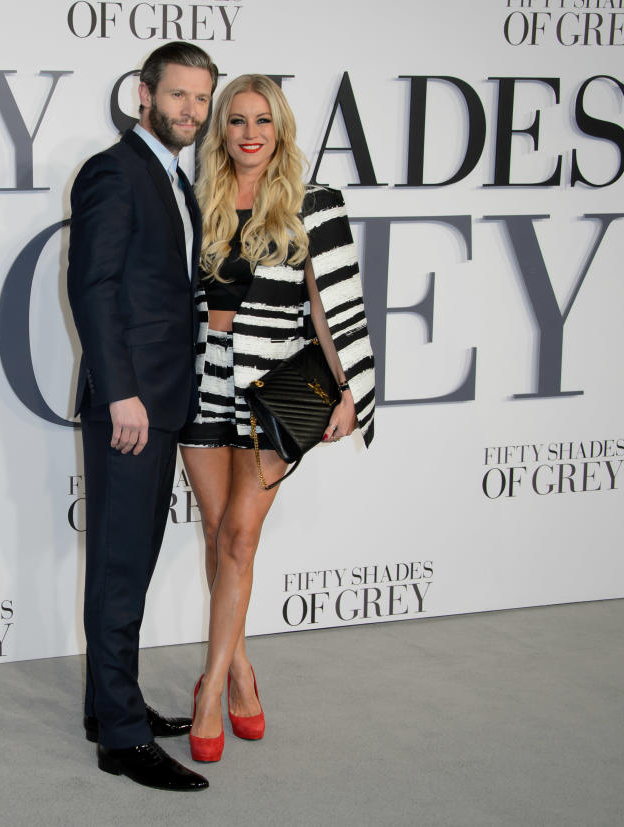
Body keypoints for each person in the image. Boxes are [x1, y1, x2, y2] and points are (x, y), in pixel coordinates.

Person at [179, 74, 377, 763]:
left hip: (270, 391)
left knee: (239, 537)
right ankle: (236, 670)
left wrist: (348, 389)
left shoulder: (312, 201)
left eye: (263, 119)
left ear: (281, 126)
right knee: (216, 534)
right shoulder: (199, 198)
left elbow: (330, 306)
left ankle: (208, 695)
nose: (250, 132)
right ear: (221, 131)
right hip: (201, 385)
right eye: (236, 120)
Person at [67, 42, 218, 792]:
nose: (190, 111)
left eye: (201, 100)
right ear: (143, 95)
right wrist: (120, 389)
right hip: (131, 405)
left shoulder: (175, 182)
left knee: (130, 562)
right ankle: (122, 739)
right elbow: (91, 287)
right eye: (178, 96)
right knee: (122, 570)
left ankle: (107, 705)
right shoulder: (115, 172)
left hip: (163, 399)